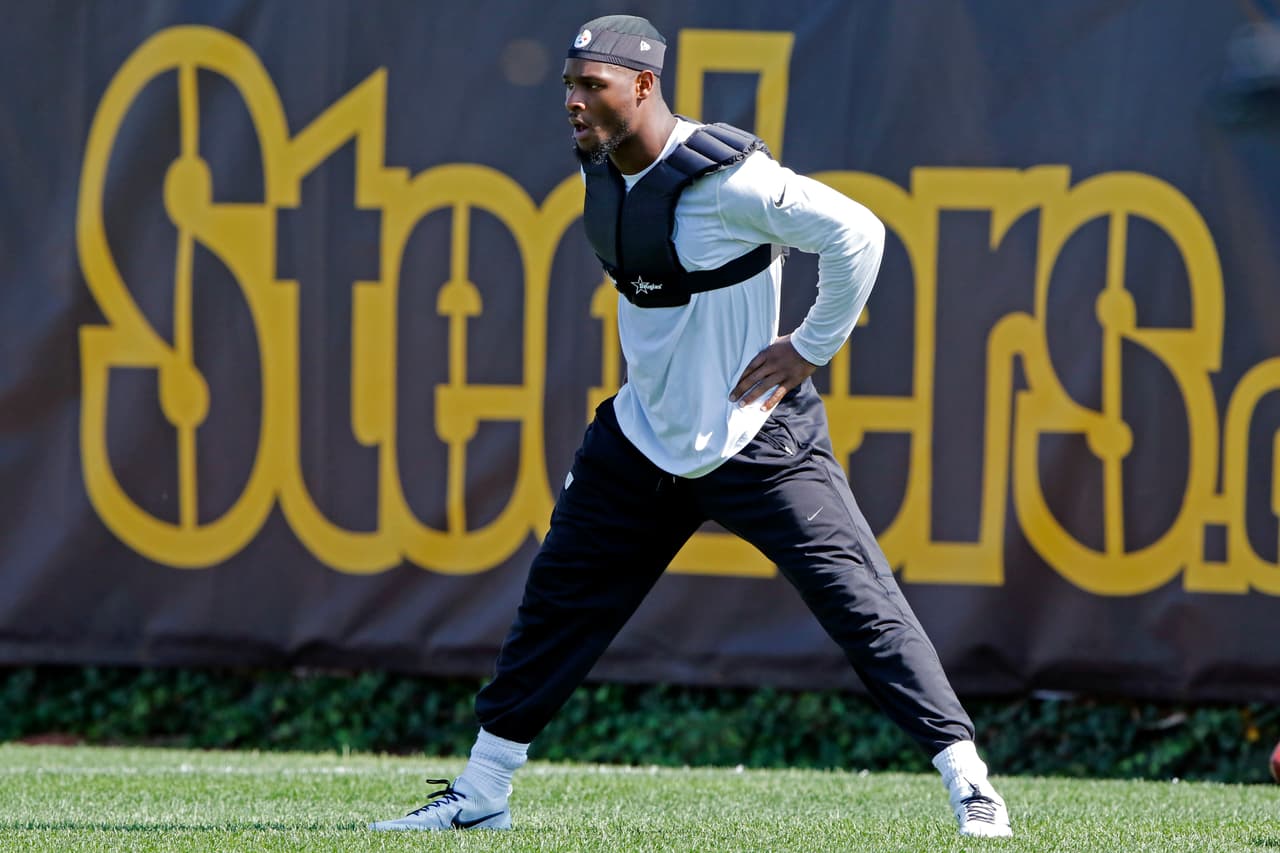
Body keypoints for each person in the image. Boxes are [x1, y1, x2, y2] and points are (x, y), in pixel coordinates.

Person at [371, 14, 1012, 838]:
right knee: (555, 609)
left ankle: (971, 784)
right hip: (642, 439)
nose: (572, 101)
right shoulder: (600, 167)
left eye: (592, 85)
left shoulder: (729, 181)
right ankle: (481, 792)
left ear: (644, 85)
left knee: (865, 607)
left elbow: (859, 233)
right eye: (568, 84)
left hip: (758, 440)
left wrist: (810, 347)